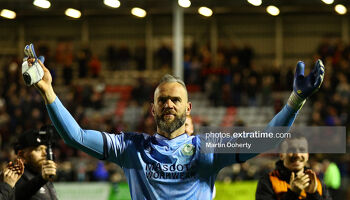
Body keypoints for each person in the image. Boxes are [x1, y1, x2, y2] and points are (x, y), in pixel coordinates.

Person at [28, 57, 324, 199]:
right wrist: (48, 92)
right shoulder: (131, 147)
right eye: (163, 100)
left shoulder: (208, 147)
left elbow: (266, 140)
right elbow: (76, 136)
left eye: (176, 100)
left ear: (188, 108)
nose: (169, 104)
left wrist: (295, 99)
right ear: (153, 108)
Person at [255, 136, 332, 200]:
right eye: (291, 150)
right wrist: (292, 194)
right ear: (281, 155)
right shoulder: (267, 181)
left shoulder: (317, 182)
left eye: (302, 150)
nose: (297, 154)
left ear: (307, 155)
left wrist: (313, 194)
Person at [14, 130, 58, 200]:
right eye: (38, 150)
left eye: (45, 149)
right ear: (21, 155)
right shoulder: (13, 177)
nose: (45, 154)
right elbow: (16, 195)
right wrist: (41, 179)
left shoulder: (42, 177)